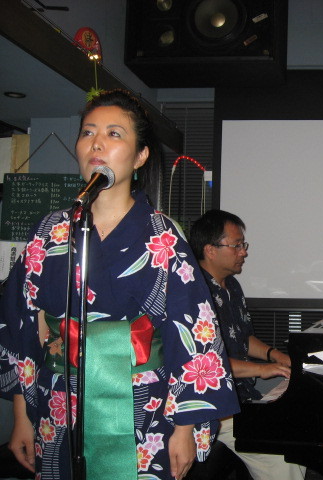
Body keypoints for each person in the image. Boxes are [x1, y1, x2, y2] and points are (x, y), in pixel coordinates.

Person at [0, 89, 239, 480]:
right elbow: (22, 324)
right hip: (60, 400)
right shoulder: (49, 231)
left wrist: (184, 427)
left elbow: (194, 330)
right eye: (88, 132)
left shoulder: (162, 236)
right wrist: (21, 416)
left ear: (140, 155)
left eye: (114, 133)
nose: (96, 143)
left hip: (143, 404)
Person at [189, 209, 306, 480]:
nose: (244, 252)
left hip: (242, 391)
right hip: (214, 403)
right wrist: (262, 370)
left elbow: (242, 338)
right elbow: (203, 364)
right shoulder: (193, 292)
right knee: (280, 454)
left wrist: (277, 357)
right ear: (210, 250)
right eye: (237, 245)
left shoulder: (232, 285)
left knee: (297, 421)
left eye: (244, 245)